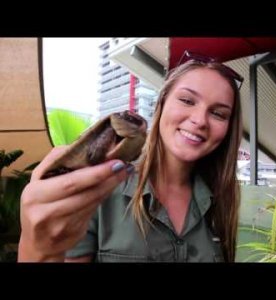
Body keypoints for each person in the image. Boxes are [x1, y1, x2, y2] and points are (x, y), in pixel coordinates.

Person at [18, 51, 243, 262]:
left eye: (218, 113)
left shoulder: (224, 200)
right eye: (187, 100)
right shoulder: (100, 187)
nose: (200, 120)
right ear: (161, 104)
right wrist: (37, 247)